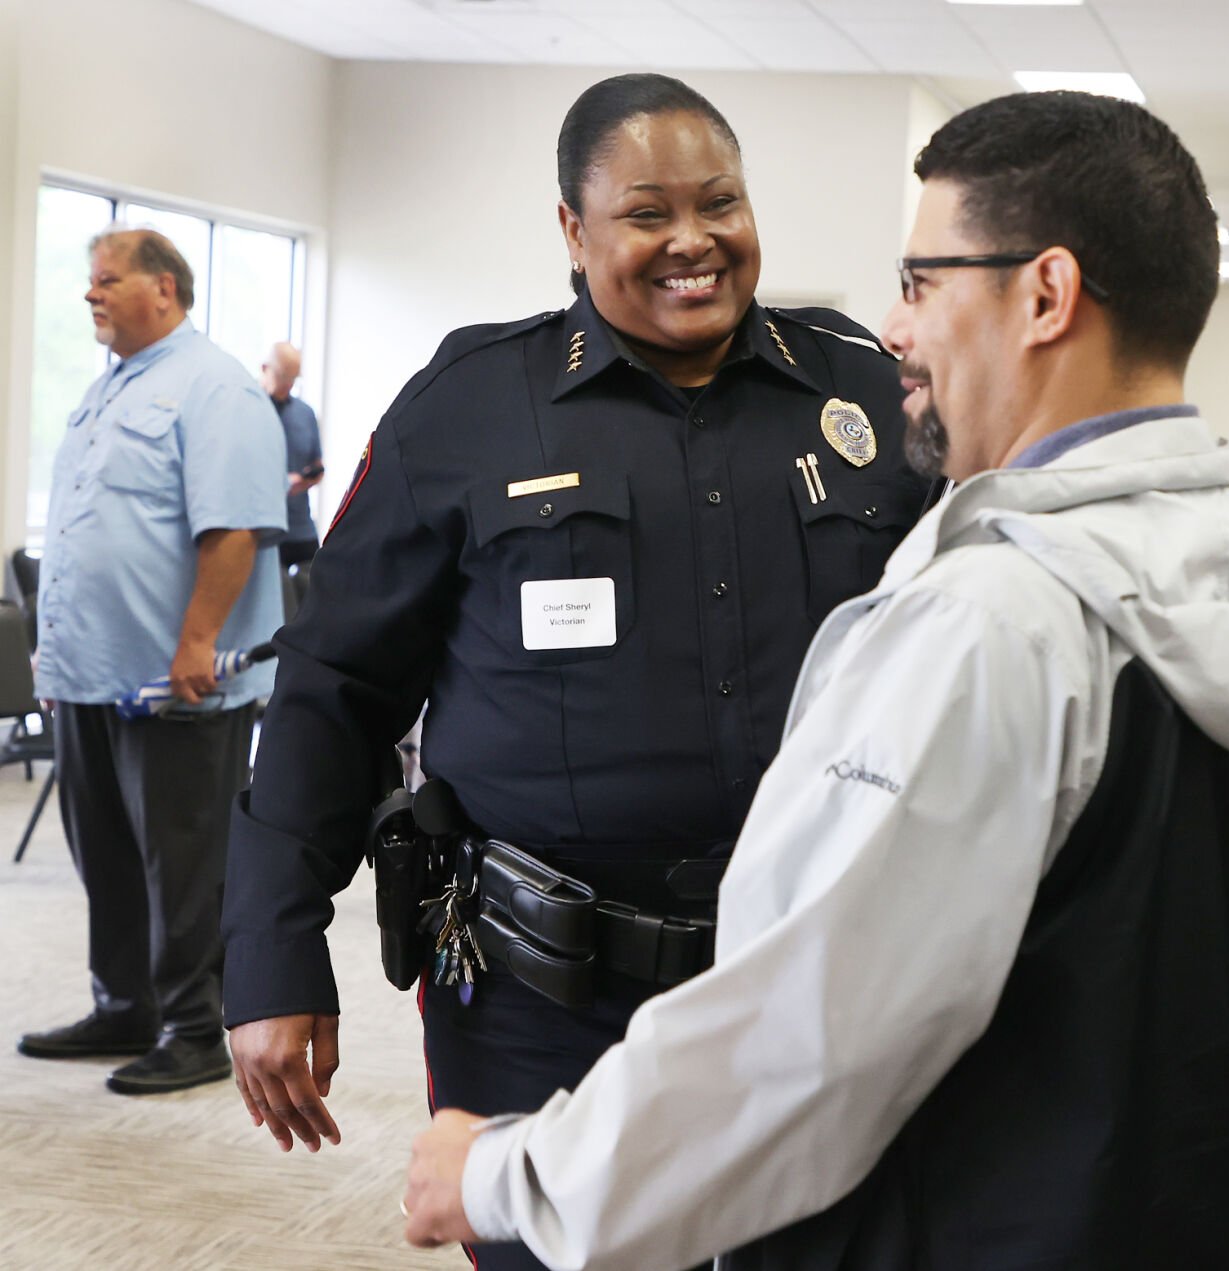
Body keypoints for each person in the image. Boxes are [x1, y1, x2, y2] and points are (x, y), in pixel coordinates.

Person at [400, 90, 1229, 1271]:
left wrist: (505, 1172)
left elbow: (807, 1047)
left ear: (1046, 295)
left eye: (920, 284)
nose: (894, 333)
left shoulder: (994, 627)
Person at [221, 73, 927, 1271]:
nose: (694, 240)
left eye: (722, 203)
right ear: (573, 229)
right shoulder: (469, 408)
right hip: (541, 994)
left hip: (812, 975)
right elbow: (333, 690)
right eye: (648, 212)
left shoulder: (862, 389)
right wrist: (272, 950)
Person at [16, 228, 286, 1094]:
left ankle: (197, 1025)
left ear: (164, 288)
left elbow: (234, 526)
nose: (90, 296)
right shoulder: (107, 392)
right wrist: (55, 661)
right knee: (106, 854)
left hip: (174, 683)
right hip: (91, 676)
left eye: (107, 281)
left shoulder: (216, 387)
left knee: (183, 859)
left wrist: (198, 641)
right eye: (88, 282)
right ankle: (125, 1003)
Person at [261, 341, 323, 568]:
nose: (288, 384)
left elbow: (317, 463)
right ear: (265, 369)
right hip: (264, 531)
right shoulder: (250, 412)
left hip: (301, 530)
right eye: (283, 376)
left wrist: (308, 478)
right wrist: (280, 484)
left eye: (293, 379)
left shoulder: (305, 414)